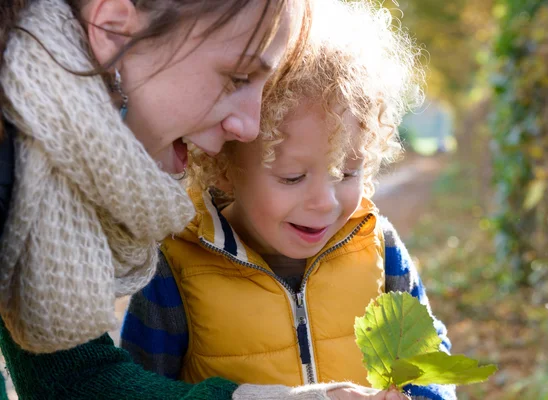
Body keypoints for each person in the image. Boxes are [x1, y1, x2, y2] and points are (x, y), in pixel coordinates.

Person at [0, 0, 405, 398]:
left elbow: (75, 379)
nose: (249, 125)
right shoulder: (22, 179)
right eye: (237, 77)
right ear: (111, 29)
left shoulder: (42, 189)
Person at [122, 1, 456, 399]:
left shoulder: (378, 247)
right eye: (292, 177)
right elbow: (141, 389)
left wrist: (419, 395)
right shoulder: (177, 265)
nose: (325, 202)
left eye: (345, 173)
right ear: (224, 164)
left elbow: (429, 357)